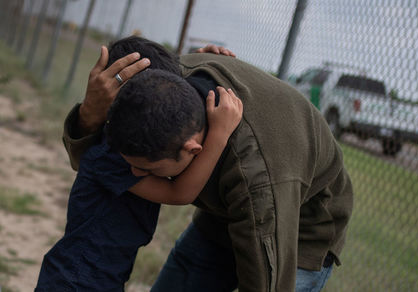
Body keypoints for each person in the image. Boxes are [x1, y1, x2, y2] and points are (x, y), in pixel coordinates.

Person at [63, 36, 353, 292]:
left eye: (150, 171)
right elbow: (91, 161)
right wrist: (91, 111)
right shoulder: (156, 91)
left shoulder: (255, 173)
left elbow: (269, 279)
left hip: (298, 228)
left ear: (193, 149)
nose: (134, 174)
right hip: (227, 214)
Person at [35, 39, 242, 291]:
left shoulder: (137, 139)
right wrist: (219, 134)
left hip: (97, 275)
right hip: (77, 279)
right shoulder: (114, 155)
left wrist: (203, 63)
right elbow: (179, 193)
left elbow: (170, 95)